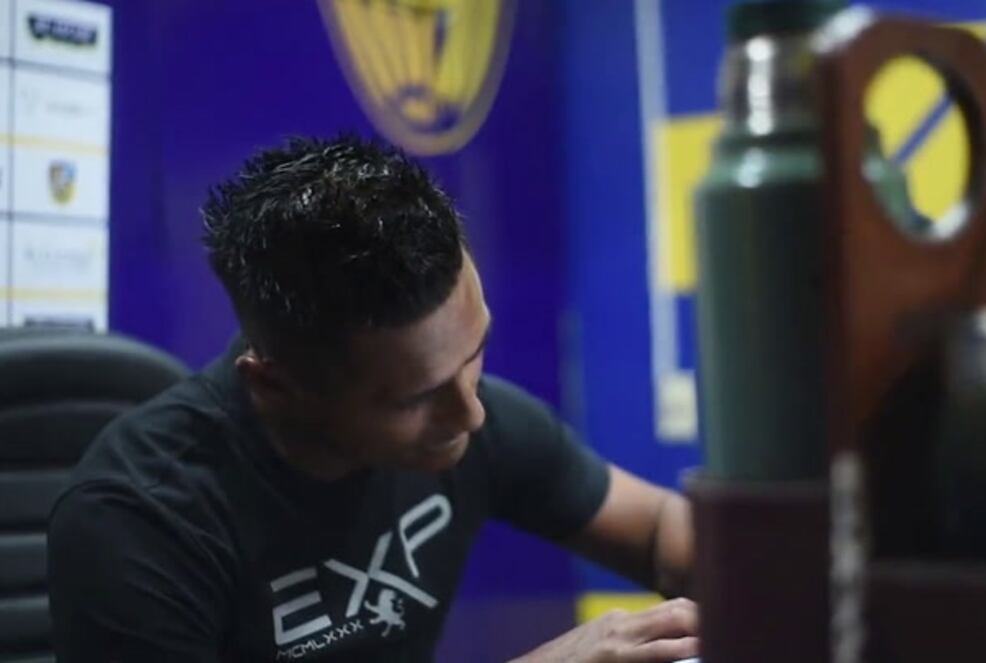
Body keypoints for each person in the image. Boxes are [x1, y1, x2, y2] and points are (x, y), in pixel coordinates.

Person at [47, 135, 698, 662]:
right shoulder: (140, 520)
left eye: (475, 353)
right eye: (415, 398)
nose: (470, 413)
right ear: (276, 386)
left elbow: (657, 529)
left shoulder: (476, 418)